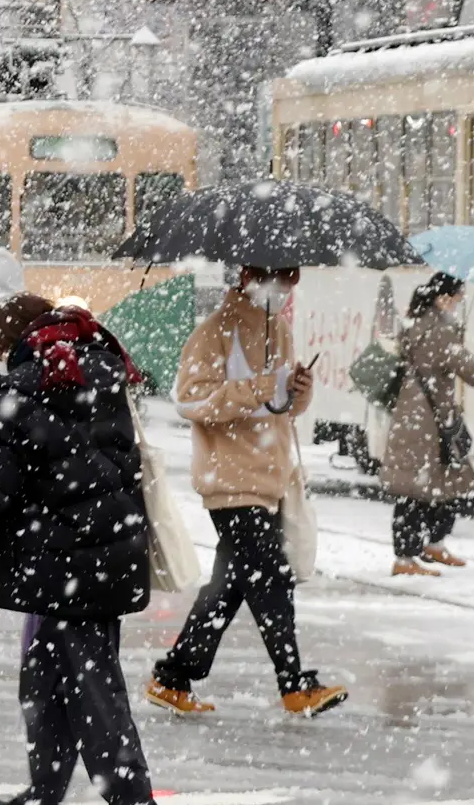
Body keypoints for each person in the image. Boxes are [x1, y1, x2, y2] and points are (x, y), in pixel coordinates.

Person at [0, 298, 170, 805]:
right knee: (48, 683)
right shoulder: (99, 376)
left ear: (10, 342)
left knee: (92, 691)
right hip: (101, 556)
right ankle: (42, 804)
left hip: (68, 567)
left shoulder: (23, 393)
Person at [145, 266, 347, 718]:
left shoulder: (281, 330)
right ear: (247, 276)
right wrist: (258, 387)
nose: (284, 285)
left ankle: (174, 675)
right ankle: (294, 683)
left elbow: (283, 411)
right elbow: (191, 401)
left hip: (270, 478)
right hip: (230, 479)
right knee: (271, 576)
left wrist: (297, 391)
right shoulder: (213, 332)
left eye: (291, 277)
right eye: (276, 275)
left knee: (231, 584)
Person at [382, 272, 474, 577]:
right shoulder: (437, 332)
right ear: (442, 298)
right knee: (420, 490)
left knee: (440, 485)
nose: (459, 304)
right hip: (426, 422)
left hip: (418, 418)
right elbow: (471, 369)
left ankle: (431, 545)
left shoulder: (416, 323)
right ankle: (406, 559)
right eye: (457, 298)